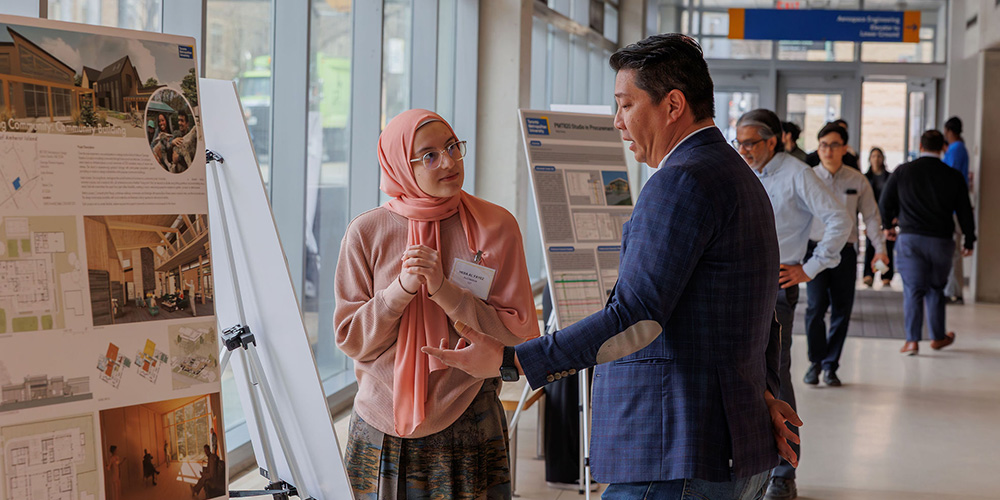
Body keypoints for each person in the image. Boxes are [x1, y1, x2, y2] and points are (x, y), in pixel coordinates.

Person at [425, 34, 802, 500]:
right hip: (728, 443)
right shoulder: (736, 175)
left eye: (625, 104)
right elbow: (760, 312)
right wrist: (761, 394)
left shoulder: (679, 182)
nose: (617, 121)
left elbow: (636, 317)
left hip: (674, 452)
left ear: (673, 105)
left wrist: (513, 359)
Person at [334, 109, 540, 499]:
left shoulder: (496, 226)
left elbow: (519, 331)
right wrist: (400, 290)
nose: (448, 162)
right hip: (381, 421)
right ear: (398, 164)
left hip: (470, 416)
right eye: (429, 155)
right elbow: (351, 340)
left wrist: (446, 291)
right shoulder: (367, 231)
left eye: (452, 147)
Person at [735, 109, 851, 500]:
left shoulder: (797, 173)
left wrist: (811, 267)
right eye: (739, 141)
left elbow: (839, 218)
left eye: (750, 142)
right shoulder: (743, 170)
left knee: (776, 376)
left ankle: (784, 473)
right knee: (742, 375)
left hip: (778, 288)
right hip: (738, 285)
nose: (743, 148)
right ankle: (752, 467)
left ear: (774, 140)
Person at [804, 123, 888, 387]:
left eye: (833, 145)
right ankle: (815, 361)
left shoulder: (857, 180)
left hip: (846, 253)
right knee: (815, 307)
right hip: (815, 250)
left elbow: (872, 217)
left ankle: (830, 365)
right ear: (818, 148)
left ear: (844, 148)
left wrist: (881, 251)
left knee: (842, 310)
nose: (827, 150)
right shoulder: (808, 177)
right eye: (823, 145)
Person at [880, 130, 976, 356]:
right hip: (942, 241)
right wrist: (970, 239)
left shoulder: (903, 171)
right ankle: (937, 337)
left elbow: (885, 201)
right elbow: (964, 211)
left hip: (911, 240)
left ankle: (912, 341)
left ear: (920, 147)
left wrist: (888, 226)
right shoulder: (953, 176)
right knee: (936, 289)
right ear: (943, 147)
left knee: (913, 289)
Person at [942, 116, 970, 304]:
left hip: (952, 209)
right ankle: (954, 290)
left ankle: (953, 291)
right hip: (953, 207)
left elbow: (948, 177)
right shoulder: (959, 149)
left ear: (950, 131)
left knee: (952, 250)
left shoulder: (956, 150)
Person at [863, 147, 894, 287]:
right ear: (870, 159)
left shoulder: (889, 177)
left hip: (886, 217)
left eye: (879, 156)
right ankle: (869, 274)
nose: (876, 159)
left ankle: (885, 274)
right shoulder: (865, 178)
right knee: (870, 246)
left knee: (886, 245)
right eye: (873, 156)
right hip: (870, 216)